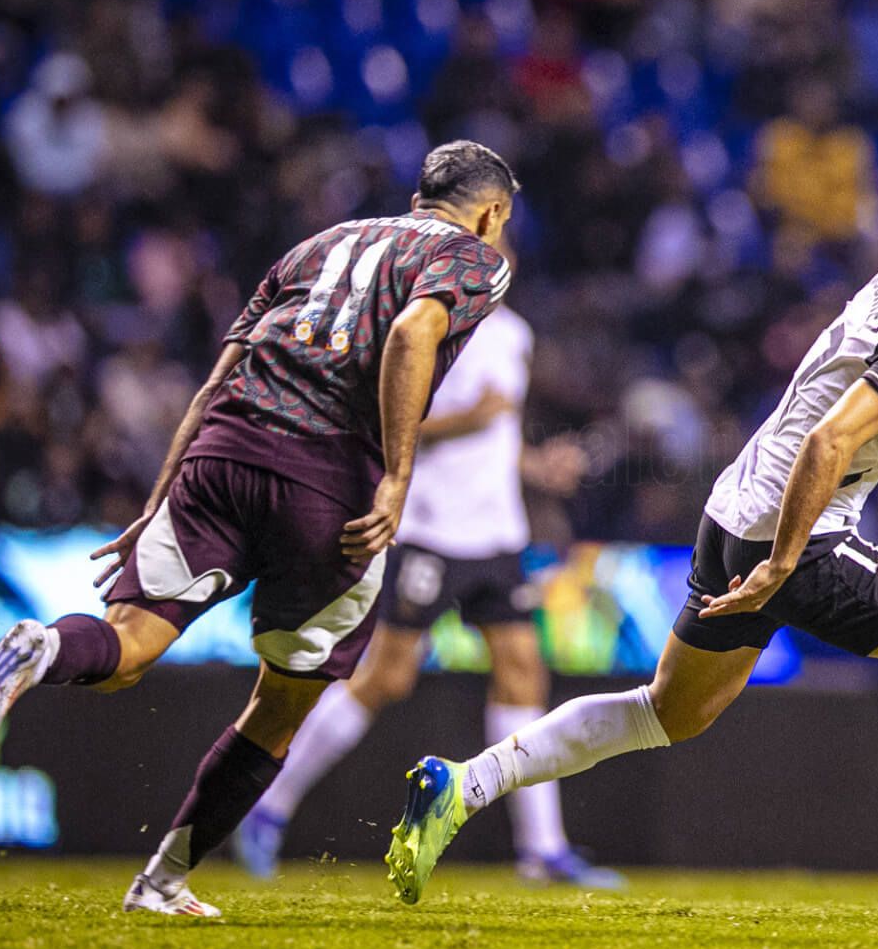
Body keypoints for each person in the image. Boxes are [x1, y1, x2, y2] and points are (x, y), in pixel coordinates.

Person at [386, 172, 878, 912]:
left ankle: (463, 784)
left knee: (665, 712)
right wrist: (782, 565)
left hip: (731, 516)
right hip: (795, 539)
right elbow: (830, 440)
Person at [0, 140, 518, 917]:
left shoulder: (319, 244)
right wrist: (398, 477)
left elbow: (220, 376)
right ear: (490, 213)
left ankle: (40, 648)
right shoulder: (475, 257)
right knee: (281, 705)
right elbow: (415, 334)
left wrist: (157, 499)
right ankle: (163, 879)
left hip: (222, 452)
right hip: (329, 486)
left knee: (125, 648)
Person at [232, 303, 622, 888]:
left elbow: (497, 435)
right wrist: (469, 418)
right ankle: (268, 808)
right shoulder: (423, 325)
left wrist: (536, 467)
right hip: (433, 531)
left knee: (523, 673)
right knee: (386, 677)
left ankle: (542, 849)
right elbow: (380, 424)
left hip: (498, 533)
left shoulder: (514, 329)